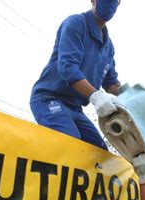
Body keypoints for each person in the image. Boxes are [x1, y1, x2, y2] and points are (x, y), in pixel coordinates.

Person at [29, 0, 122, 151]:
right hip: (49, 99)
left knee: (100, 155)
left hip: (75, 108)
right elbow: (67, 68)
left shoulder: (108, 47)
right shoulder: (76, 23)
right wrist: (96, 96)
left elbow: (111, 83)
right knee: (71, 145)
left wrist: (133, 97)